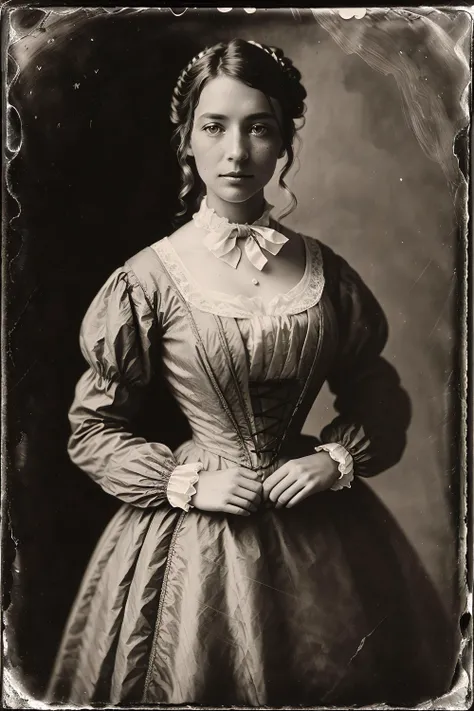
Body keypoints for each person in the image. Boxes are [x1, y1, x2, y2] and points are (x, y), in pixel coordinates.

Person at [46, 39, 453, 706]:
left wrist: (336, 458)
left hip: (320, 532)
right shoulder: (147, 278)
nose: (236, 151)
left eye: (259, 128)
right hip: (194, 538)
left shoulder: (327, 272)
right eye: (215, 127)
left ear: (284, 141)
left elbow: (377, 392)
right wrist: (184, 481)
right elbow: (92, 427)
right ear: (189, 141)